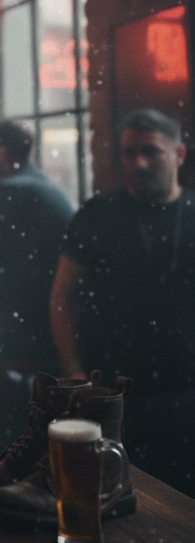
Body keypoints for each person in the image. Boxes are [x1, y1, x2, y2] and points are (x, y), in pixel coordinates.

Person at [50, 108, 194, 495]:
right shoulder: (98, 215)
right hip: (109, 393)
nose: (137, 163)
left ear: (179, 153)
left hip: (184, 391)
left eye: (150, 151)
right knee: (110, 499)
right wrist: (73, 369)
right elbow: (62, 295)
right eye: (128, 153)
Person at [0, 119, 73, 366]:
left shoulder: (11, 189)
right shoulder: (43, 185)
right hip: (64, 320)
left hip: (31, 324)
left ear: (0, 153)